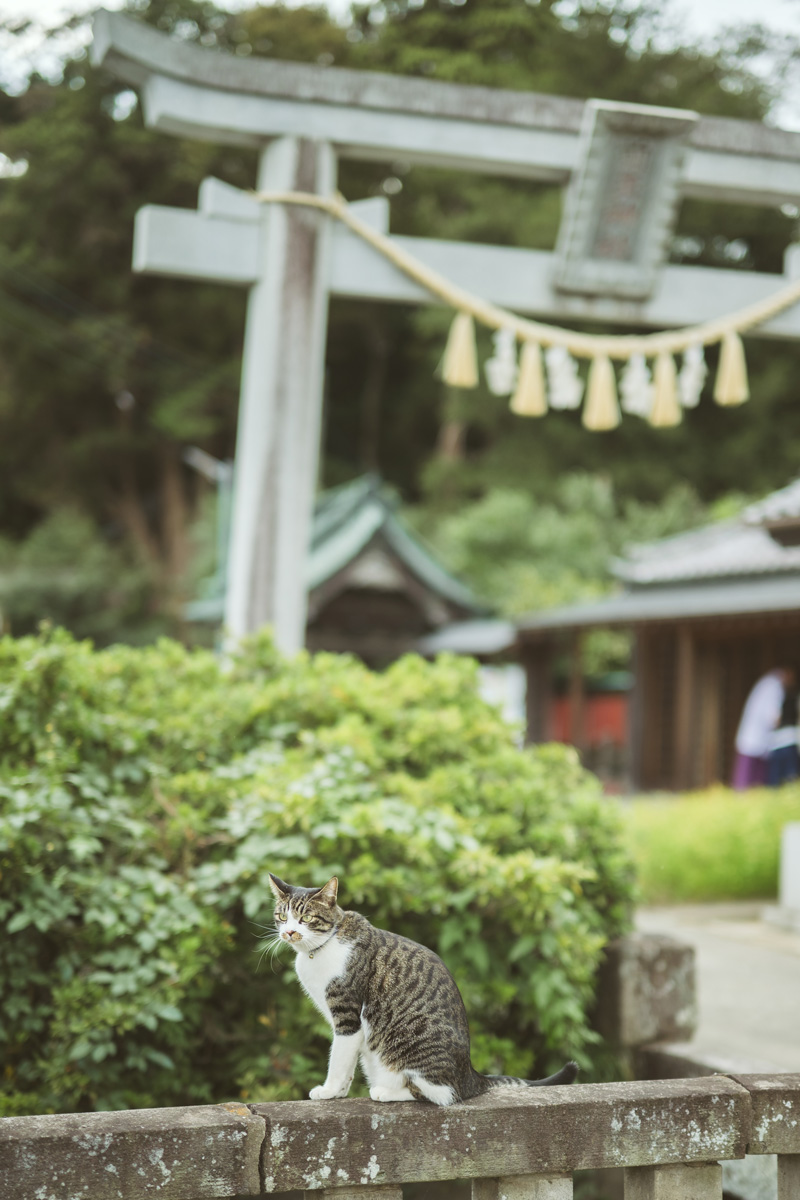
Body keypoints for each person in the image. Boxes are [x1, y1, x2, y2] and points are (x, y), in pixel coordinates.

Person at [732, 667, 796, 790]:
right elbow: (773, 718)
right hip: (755, 741)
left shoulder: (768, 682)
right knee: (748, 783)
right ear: (789, 674)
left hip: (754, 739)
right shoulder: (775, 687)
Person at [766, 685, 800, 787]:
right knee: (791, 779)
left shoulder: (781, 697)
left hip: (777, 741)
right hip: (790, 740)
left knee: (776, 781)